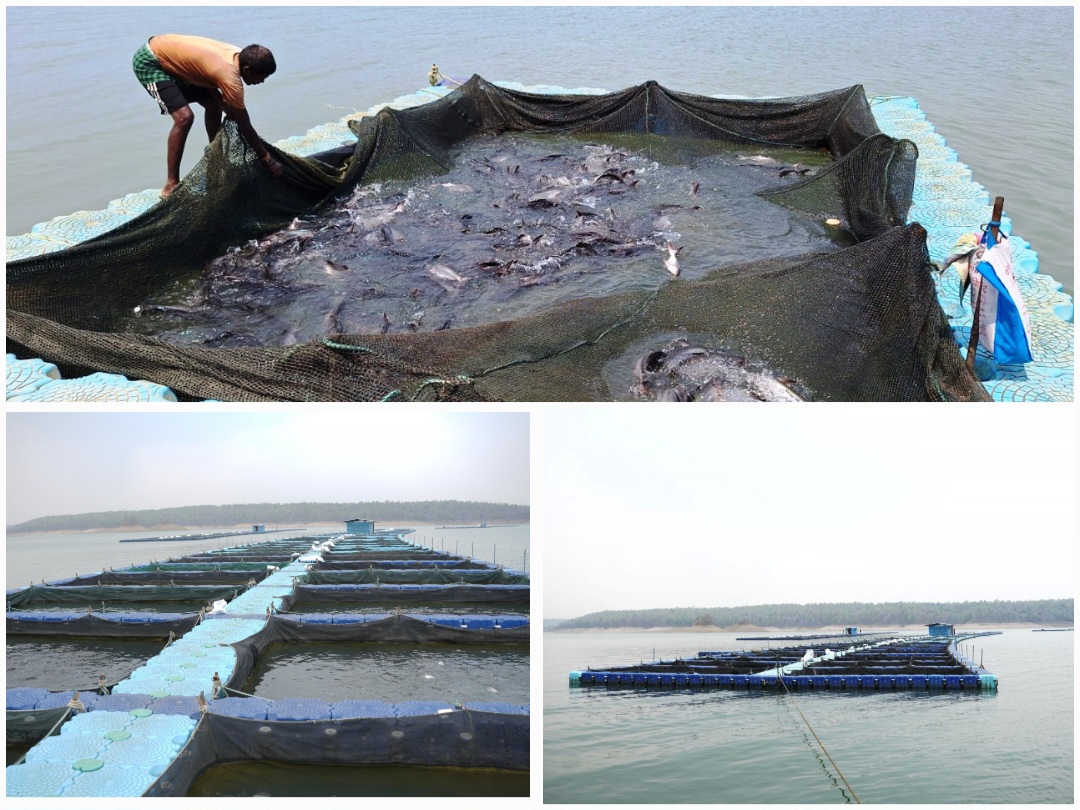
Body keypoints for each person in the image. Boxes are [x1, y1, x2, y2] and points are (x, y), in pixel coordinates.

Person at [132, 34, 284, 198]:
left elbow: (206, 74)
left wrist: (223, 103)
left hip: (174, 58)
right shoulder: (230, 77)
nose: (262, 82)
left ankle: (214, 158)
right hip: (152, 61)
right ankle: (170, 184)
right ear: (247, 70)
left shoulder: (239, 57)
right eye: (262, 77)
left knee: (213, 105)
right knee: (184, 118)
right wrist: (267, 159)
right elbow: (245, 126)